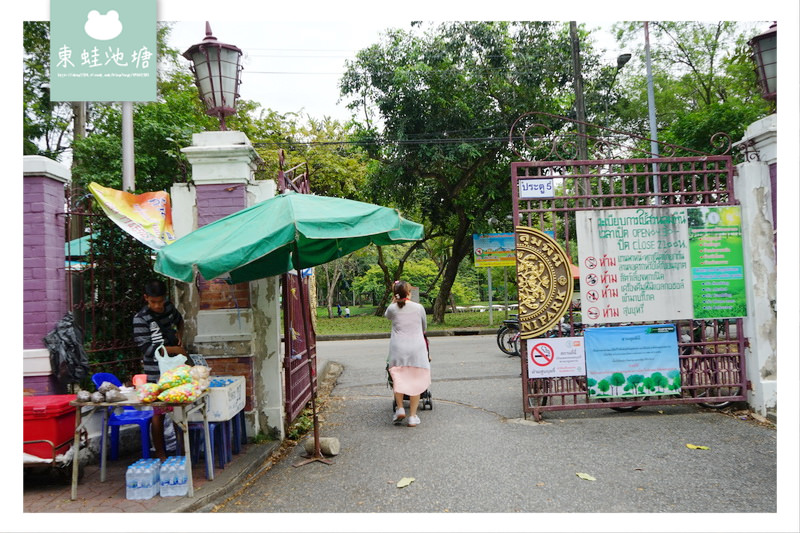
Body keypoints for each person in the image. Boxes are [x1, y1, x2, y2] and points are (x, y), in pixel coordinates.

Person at [133, 279, 188, 459]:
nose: (157, 306)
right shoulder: (140, 319)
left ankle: (181, 449)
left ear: (165, 298)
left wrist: (180, 336)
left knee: (179, 409)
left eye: (160, 301)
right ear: (146, 298)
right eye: (153, 302)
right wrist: (175, 349)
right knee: (159, 413)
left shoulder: (170, 309)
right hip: (155, 371)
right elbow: (147, 349)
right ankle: (161, 452)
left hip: (176, 369)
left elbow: (180, 321)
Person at [384, 280, 430, 427]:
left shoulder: (392, 308)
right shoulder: (418, 307)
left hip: (398, 348)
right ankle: (412, 417)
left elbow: (387, 315)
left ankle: (400, 409)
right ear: (409, 293)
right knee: (414, 381)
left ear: (395, 294)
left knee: (399, 379)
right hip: (416, 348)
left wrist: (394, 301)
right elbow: (424, 327)